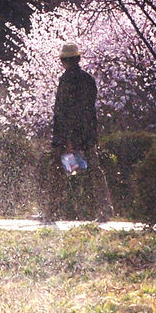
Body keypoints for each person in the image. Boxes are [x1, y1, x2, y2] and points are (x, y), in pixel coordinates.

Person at [43, 42, 114, 222]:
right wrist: (89, 136)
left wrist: (67, 139)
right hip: (88, 133)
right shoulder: (88, 79)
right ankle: (105, 209)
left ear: (63, 61)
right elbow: (88, 110)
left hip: (67, 135)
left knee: (57, 171)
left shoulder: (66, 80)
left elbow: (64, 111)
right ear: (78, 59)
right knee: (95, 171)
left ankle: (52, 211)